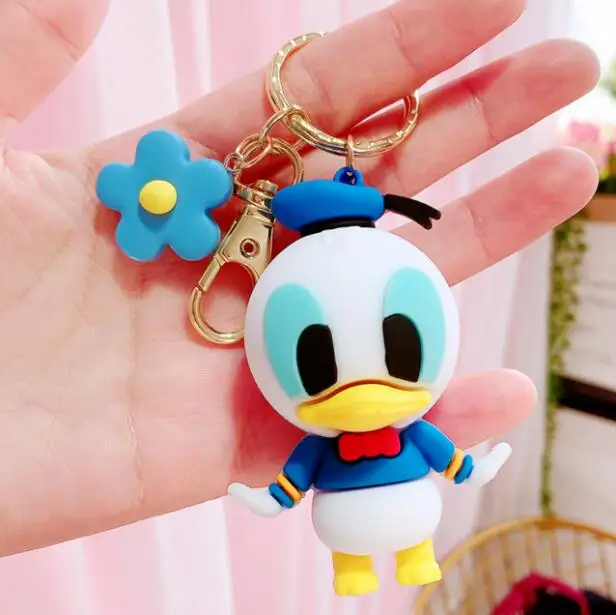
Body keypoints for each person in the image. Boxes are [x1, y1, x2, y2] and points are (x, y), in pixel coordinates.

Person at [0, 0, 600, 558]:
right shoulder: (324, 368)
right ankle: (366, 565)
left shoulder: (351, 393)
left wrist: (473, 468)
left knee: (407, 549)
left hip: (387, 505)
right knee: (361, 557)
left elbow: (437, 459)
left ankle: (409, 560)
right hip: (352, 512)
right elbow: (315, 475)